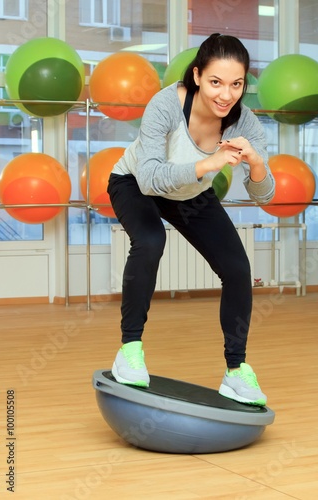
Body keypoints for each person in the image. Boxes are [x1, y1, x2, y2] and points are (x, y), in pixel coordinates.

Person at [107, 33, 275, 406]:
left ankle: (236, 372)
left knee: (237, 269)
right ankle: (129, 350)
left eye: (236, 84)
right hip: (134, 184)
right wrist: (209, 164)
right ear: (197, 75)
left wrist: (258, 163)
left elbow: (265, 196)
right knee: (151, 241)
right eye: (216, 82)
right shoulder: (166, 104)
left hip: (190, 195)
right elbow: (150, 179)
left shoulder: (244, 122)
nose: (225, 95)